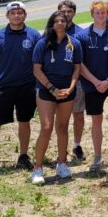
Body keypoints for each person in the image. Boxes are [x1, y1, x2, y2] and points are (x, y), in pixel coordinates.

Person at [0, 1, 40, 173]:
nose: (16, 15)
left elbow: (38, 61)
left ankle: (23, 156)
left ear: (25, 15)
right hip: (3, 87)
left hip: (26, 87)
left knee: (25, 122)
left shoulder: (34, 35)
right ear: (7, 16)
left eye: (20, 12)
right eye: (13, 12)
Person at [30, 11, 83, 184]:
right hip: (47, 90)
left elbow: (77, 68)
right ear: (52, 23)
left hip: (67, 91)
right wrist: (51, 88)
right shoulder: (42, 43)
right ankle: (37, 168)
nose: (60, 23)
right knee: (46, 127)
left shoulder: (74, 43)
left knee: (62, 127)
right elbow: (36, 69)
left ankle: (62, 163)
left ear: (68, 23)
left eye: (63, 20)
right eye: (56, 20)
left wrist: (71, 87)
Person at [76, 1, 108, 173]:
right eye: (97, 13)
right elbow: (80, 64)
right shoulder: (82, 36)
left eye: (103, 13)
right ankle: (98, 157)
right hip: (92, 85)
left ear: (107, 14)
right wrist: (95, 81)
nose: (100, 16)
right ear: (92, 14)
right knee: (96, 120)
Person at [59, 0, 87, 163]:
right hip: (56, 81)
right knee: (60, 119)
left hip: (76, 81)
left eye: (69, 12)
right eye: (63, 11)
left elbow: (83, 60)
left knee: (78, 115)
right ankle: (59, 147)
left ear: (74, 13)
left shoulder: (80, 33)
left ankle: (76, 145)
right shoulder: (50, 31)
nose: (66, 14)